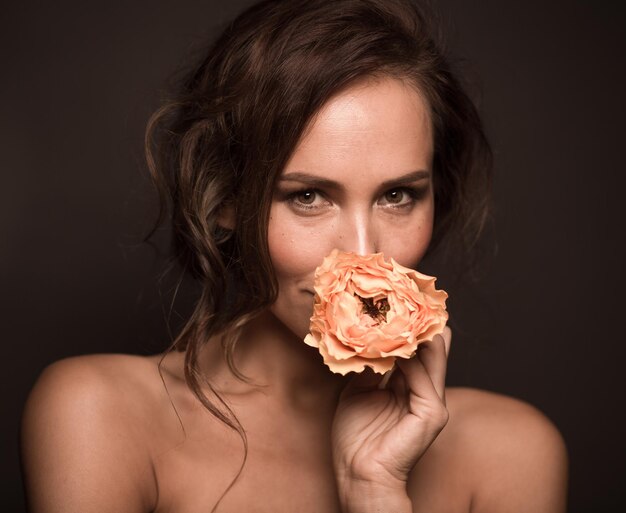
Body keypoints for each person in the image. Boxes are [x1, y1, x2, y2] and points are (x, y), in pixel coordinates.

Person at [20, 0, 568, 511]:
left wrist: (373, 490)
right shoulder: (99, 415)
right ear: (228, 200)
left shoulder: (511, 453)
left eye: (397, 195)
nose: (362, 255)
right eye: (307, 196)